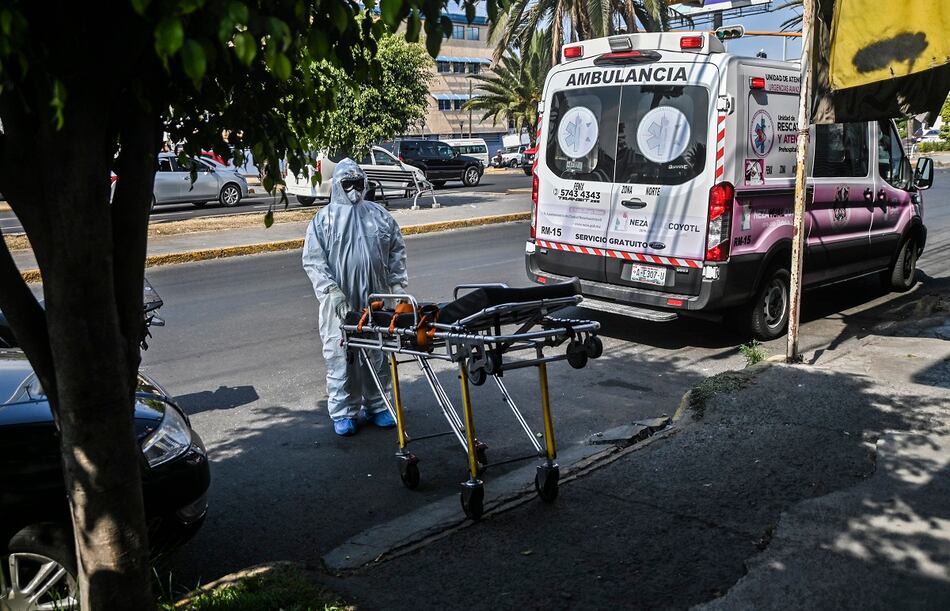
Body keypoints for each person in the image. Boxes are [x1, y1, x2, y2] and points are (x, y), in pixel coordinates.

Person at [302, 158, 408, 437]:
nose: (353, 190)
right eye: (347, 184)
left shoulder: (379, 216)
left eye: (358, 183)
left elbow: (396, 251)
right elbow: (313, 261)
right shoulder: (323, 220)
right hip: (340, 304)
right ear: (338, 185)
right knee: (341, 359)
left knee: (378, 355)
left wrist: (397, 287)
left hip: (377, 300)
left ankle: (379, 405)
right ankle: (343, 412)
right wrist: (331, 290)